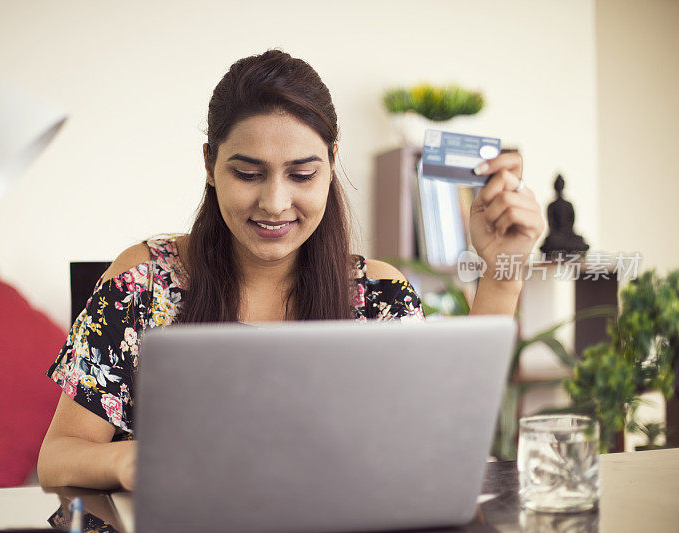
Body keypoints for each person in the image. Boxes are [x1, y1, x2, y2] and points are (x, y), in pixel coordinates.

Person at [36, 49, 545, 491]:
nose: (275, 203)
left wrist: (501, 275)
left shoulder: (379, 295)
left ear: (330, 163)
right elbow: (58, 457)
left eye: (302, 174)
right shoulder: (142, 281)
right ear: (210, 164)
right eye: (248, 173)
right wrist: (132, 460)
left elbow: (442, 443)